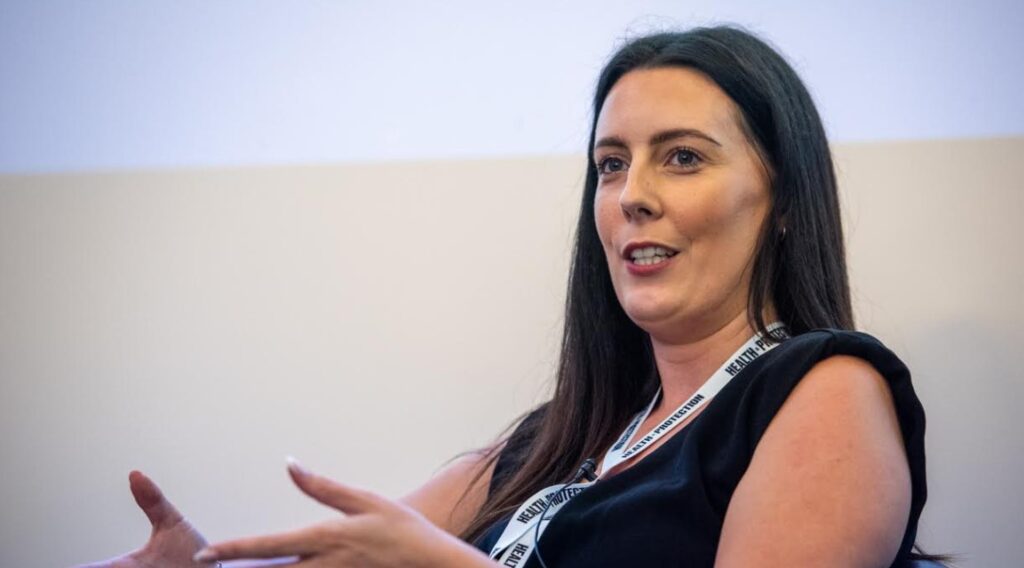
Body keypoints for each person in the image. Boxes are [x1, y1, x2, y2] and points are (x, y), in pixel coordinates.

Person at [79, 26, 932, 568]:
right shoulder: (560, 436)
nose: (631, 195)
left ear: (783, 200)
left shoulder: (826, 391)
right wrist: (206, 567)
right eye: (610, 164)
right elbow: (365, 552)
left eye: (682, 158)